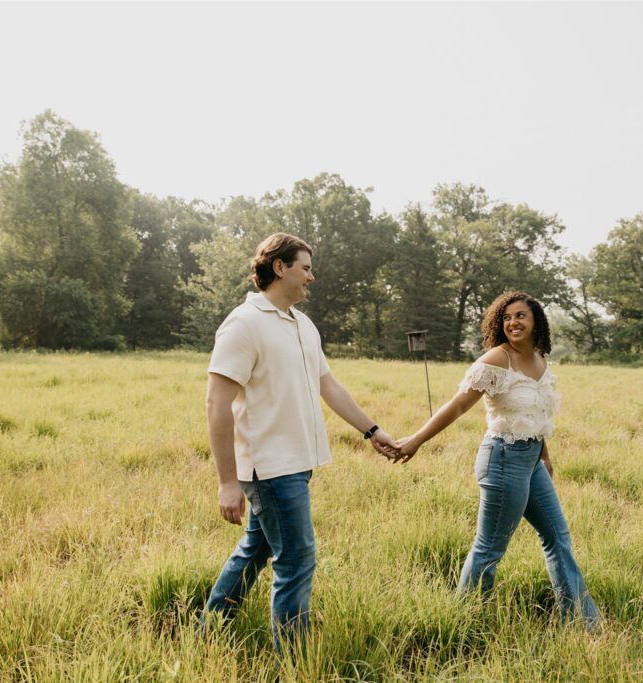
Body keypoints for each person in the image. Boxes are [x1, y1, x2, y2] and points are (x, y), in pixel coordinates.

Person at [200, 232, 399, 651]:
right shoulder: (244, 323)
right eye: (305, 268)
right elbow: (216, 404)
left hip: (298, 462)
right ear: (280, 268)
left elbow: (329, 386)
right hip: (269, 466)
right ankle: (294, 661)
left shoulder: (302, 324)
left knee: (256, 550)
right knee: (296, 560)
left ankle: (210, 629)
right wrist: (227, 481)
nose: (312, 277)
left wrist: (372, 431)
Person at [394, 291, 600, 629]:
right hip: (503, 458)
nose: (512, 322)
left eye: (520, 316)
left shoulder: (539, 357)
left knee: (558, 537)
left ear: (536, 321)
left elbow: (536, 412)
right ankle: (463, 623)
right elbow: (458, 405)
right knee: (490, 548)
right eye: (506, 317)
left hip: (532, 459)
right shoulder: (496, 359)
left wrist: (544, 455)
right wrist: (416, 440)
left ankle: (582, 622)